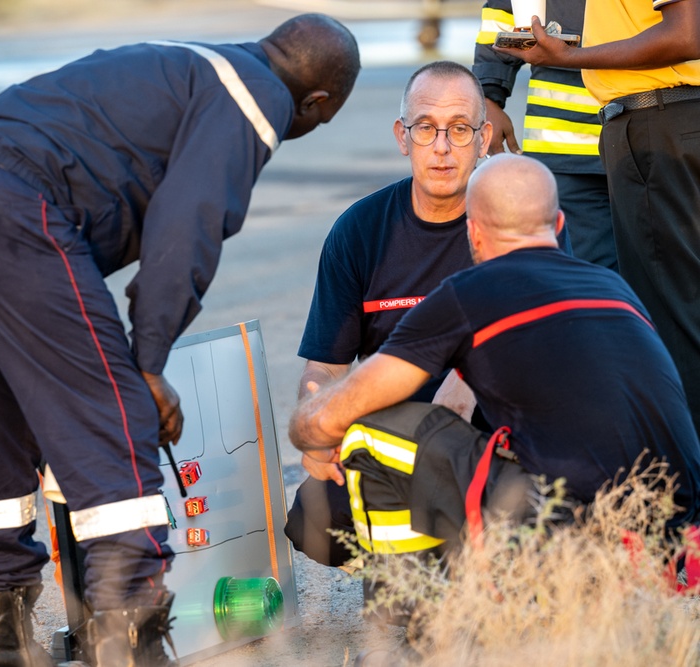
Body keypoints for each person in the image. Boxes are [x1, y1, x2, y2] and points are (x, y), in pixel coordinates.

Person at [0, 14, 361, 667]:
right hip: (6, 196)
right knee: (116, 420)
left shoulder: (191, 63)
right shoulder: (252, 95)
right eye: (311, 123)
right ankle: (129, 646)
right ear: (315, 102)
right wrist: (148, 364)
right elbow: (187, 228)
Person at [289, 153, 700, 560]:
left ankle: (432, 596)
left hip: (574, 535)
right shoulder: (612, 286)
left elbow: (331, 416)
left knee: (369, 439)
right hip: (674, 528)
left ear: (475, 233)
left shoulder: (469, 293)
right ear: (558, 226)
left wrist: (312, 435)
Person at [283, 60, 496, 572]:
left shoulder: (510, 220)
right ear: (403, 137)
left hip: (489, 437)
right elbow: (326, 367)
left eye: (459, 129)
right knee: (315, 522)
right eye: (426, 128)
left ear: (483, 139)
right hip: (391, 440)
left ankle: (467, 556)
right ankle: (411, 555)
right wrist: (320, 428)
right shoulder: (358, 231)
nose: (442, 146)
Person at [495, 1, 700, 439]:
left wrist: (569, 57)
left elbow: (685, 34)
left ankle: (686, 490)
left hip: (658, 123)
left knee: (673, 323)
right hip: (654, 124)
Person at [472, 0, 617, 269]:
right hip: (563, 143)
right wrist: (489, 95)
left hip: (656, 134)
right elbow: (504, 10)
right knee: (581, 277)